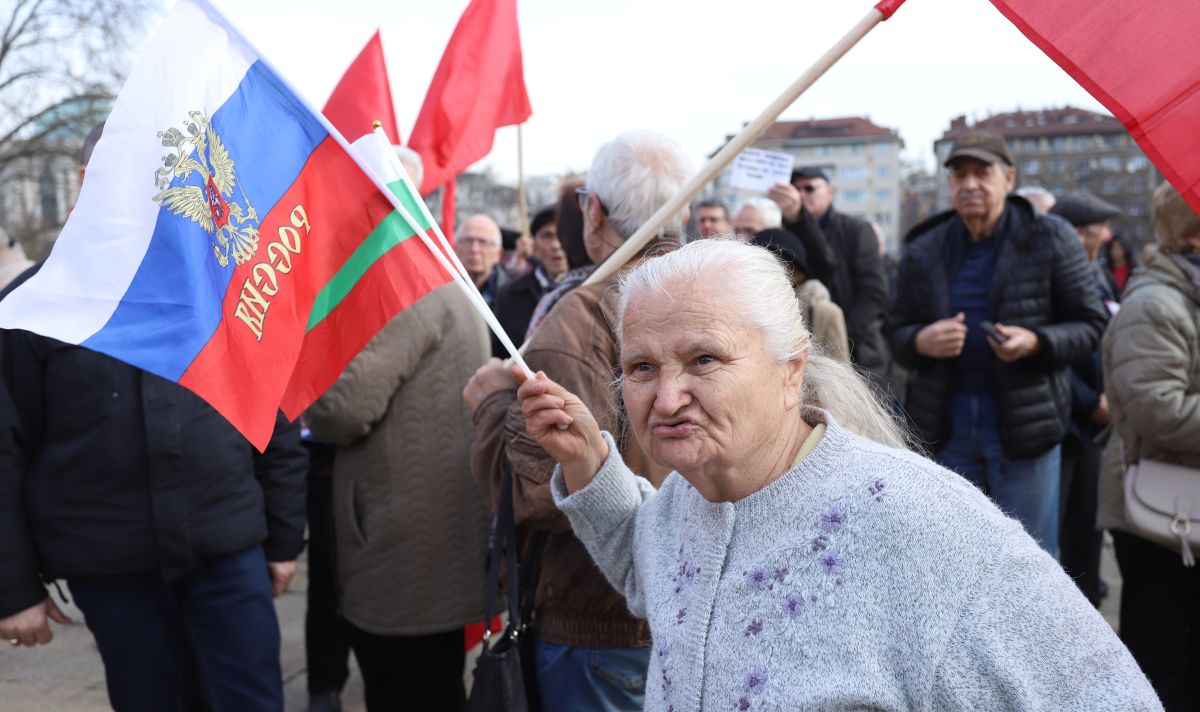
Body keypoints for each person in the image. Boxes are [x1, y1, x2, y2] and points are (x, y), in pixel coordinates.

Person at [514, 238, 1159, 711]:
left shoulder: (919, 524)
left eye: (703, 359)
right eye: (641, 367)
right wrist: (587, 462)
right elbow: (649, 570)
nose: (667, 396)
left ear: (791, 368)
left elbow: (1101, 694)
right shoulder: (691, 493)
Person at [0, 125, 307, 712]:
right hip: (111, 568)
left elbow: (273, 412)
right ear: (85, 182)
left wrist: (285, 536)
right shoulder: (31, 307)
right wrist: (12, 587)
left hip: (228, 549)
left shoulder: (216, 279)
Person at [465, 131, 695, 711]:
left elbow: (545, 489)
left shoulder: (583, 316)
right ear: (685, 211)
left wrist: (493, 405)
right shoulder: (711, 294)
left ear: (591, 213)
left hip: (595, 625)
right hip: (689, 603)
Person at [885, 130, 1107, 554]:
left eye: (981, 173)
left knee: (1031, 560)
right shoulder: (925, 247)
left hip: (1026, 426)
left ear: (1008, 178)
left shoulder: (1051, 236)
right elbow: (895, 332)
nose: (969, 184)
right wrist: (921, 340)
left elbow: (1090, 323)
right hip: (946, 426)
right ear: (949, 184)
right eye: (959, 175)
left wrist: (1036, 342)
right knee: (953, 556)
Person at [306, 281, 491, 712]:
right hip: (424, 536)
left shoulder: (407, 289)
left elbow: (341, 410)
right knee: (428, 681)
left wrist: (308, 376)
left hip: (402, 544)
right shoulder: (441, 282)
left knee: (411, 687)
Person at [1100, 181, 1200, 710]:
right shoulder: (1157, 303)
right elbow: (1157, 409)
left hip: (1186, 505)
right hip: (1163, 517)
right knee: (1164, 665)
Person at [1049, 193, 1122, 606]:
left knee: (1088, 526)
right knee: (1057, 526)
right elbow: (1055, 357)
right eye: (1101, 229)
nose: (1109, 235)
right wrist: (1090, 399)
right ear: (1078, 235)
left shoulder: (1100, 272)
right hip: (1066, 420)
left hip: (1092, 425)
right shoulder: (1059, 277)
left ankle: (1086, 598)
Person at [769, 167, 894, 395]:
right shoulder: (787, 232)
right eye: (795, 189)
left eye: (809, 188)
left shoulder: (856, 230)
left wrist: (841, 335)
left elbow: (874, 292)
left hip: (861, 352)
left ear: (830, 192)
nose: (801, 195)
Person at [749, 228, 849, 361]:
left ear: (798, 272)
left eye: (781, 263)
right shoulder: (743, 308)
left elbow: (839, 375)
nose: (771, 272)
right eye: (763, 264)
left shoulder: (824, 313)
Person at [490, 205, 569, 357]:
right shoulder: (509, 295)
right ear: (534, 243)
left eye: (563, 234)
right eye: (547, 236)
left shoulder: (594, 288)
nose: (556, 245)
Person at [454, 214, 509, 307]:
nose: (474, 249)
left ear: (498, 253)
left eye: (483, 242)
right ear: (455, 248)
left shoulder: (514, 293)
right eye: (468, 240)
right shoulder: (440, 291)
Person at [1101, 232, 1138, 297]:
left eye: (1119, 247)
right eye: (1113, 247)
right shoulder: (1103, 270)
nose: (1116, 251)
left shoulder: (1135, 270)